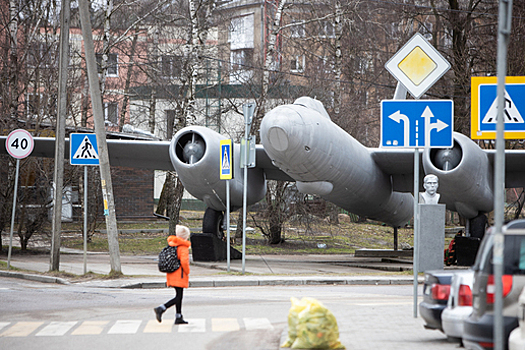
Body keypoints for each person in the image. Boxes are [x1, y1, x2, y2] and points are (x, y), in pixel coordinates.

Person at [154, 225, 191, 324]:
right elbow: (184, 262)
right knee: (178, 297)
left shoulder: (173, 244)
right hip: (180, 274)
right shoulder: (183, 247)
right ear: (185, 236)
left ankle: (178, 316)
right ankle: (161, 308)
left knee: (179, 295)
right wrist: (187, 272)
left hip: (171, 273)